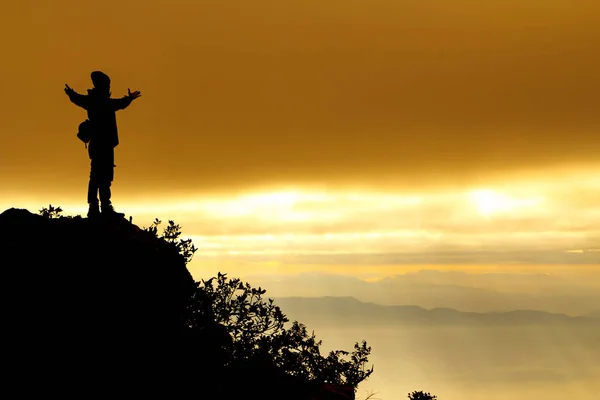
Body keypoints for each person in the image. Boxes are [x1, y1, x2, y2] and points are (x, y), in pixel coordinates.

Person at [64, 71, 141, 218]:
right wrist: (129, 98)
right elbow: (119, 104)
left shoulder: (93, 100)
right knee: (100, 176)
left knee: (101, 175)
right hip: (103, 144)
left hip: (101, 144)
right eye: (107, 84)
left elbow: (77, 99)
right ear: (102, 85)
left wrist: (71, 93)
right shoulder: (102, 101)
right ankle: (100, 206)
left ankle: (99, 206)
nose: (109, 86)